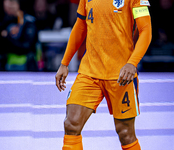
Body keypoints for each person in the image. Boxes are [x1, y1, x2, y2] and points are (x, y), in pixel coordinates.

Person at [55, 0, 152, 149]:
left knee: (125, 134)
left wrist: (132, 63)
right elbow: (81, 25)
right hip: (89, 72)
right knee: (71, 124)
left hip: (121, 75)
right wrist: (65, 62)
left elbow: (146, 30)